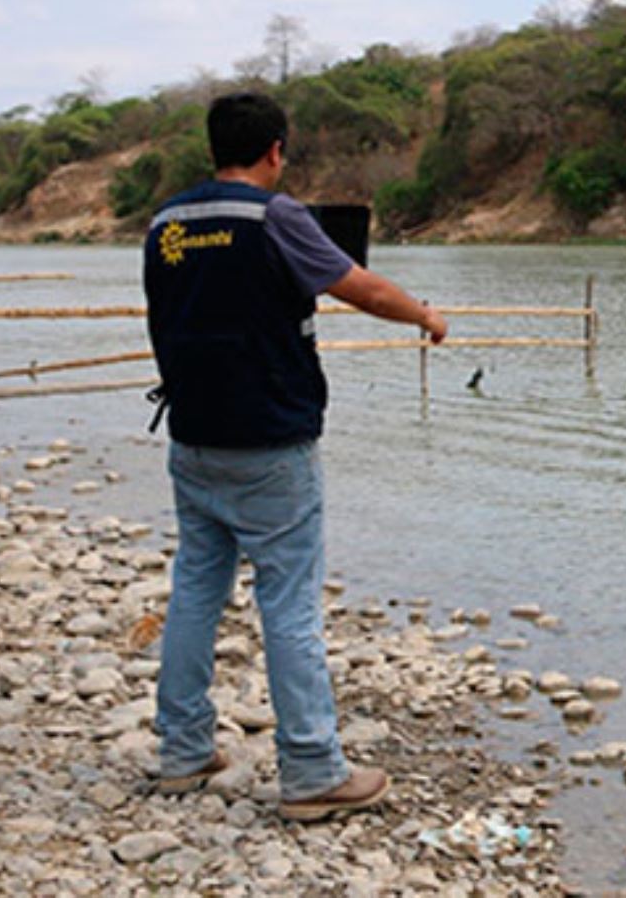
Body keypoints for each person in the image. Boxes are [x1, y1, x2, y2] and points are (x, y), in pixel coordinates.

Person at [143, 92, 448, 820]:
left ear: (214, 148)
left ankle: (182, 752)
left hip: (193, 437)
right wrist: (427, 315)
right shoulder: (275, 216)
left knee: (195, 590)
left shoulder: (165, 223)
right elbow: (361, 287)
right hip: (272, 442)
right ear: (276, 150)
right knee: (289, 606)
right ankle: (312, 769)